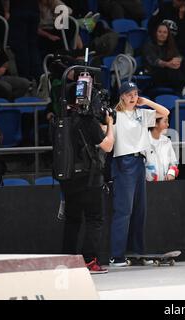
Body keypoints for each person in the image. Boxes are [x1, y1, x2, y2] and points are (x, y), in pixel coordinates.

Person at [109, 82, 170, 267]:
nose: (133, 97)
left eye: (135, 94)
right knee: (124, 210)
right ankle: (116, 256)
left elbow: (165, 112)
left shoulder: (142, 114)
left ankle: (137, 253)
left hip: (140, 161)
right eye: (129, 94)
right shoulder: (115, 115)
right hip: (123, 161)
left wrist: (147, 101)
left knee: (139, 211)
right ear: (121, 96)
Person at [59, 84, 115, 274]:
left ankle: (67, 259)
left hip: (67, 178)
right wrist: (110, 125)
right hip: (88, 178)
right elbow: (107, 146)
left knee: (72, 220)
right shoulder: (87, 121)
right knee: (95, 219)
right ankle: (90, 261)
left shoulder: (62, 118)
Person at [142, 22, 185, 96]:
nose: (162, 34)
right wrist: (168, 64)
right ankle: (182, 89)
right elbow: (154, 61)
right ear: (155, 33)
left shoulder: (170, 45)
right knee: (172, 70)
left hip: (169, 69)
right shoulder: (148, 45)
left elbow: (178, 55)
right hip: (154, 71)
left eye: (165, 32)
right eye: (160, 32)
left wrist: (178, 61)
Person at [0, 20, 31, 100]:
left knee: (24, 83)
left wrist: (2, 69)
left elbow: (6, 61)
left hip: (0, 76)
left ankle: (10, 107)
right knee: (6, 87)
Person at [3, 0, 42, 81]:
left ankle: (26, 79)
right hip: (33, 10)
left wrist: (6, 10)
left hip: (18, 11)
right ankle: (39, 77)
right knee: (32, 46)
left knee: (21, 48)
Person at [145, 113, 179, 182]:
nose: (168, 125)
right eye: (165, 121)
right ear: (155, 123)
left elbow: (174, 163)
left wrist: (171, 173)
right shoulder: (143, 142)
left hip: (165, 186)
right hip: (147, 187)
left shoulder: (167, 141)